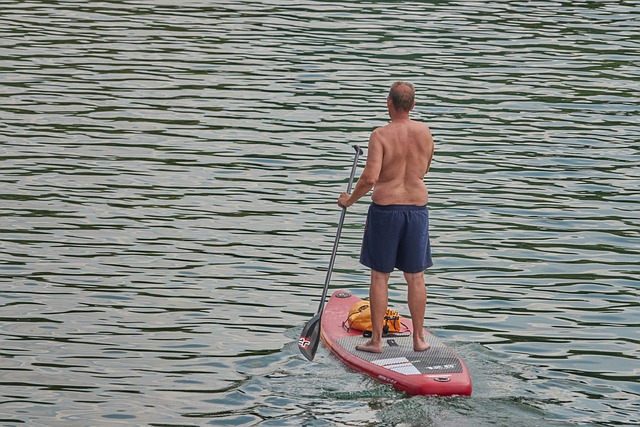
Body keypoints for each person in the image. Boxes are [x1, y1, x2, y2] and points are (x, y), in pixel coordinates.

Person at [338, 81, 435, 353]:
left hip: (386, 210)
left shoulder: (380, 135)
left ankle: (377, 341)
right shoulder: (426, 133)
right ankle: (418, 339)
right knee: (415, 277)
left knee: (380, 276)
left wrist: (349, 200)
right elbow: (424, 168)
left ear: (388, 103)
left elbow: (369, 178)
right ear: (413, 106)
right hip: (417, 210)